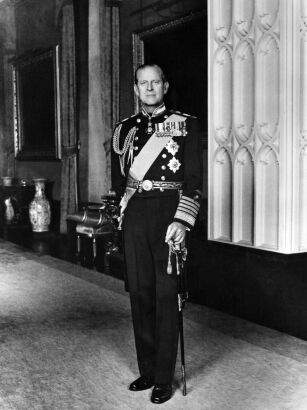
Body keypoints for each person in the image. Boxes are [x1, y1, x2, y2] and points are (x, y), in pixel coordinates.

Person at [111, 63, 202, 404]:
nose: (149, 89)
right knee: (141, 294)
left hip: (169, 216)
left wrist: (182, 220)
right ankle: (147, 370)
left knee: (166, 296)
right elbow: (119, 184)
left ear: (165, 85)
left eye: (155, 82)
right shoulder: (124, 130)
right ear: (136, 89)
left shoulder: (184, 124)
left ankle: (164, 377)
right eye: (142, 83)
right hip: (135, 217)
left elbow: (193, 181)